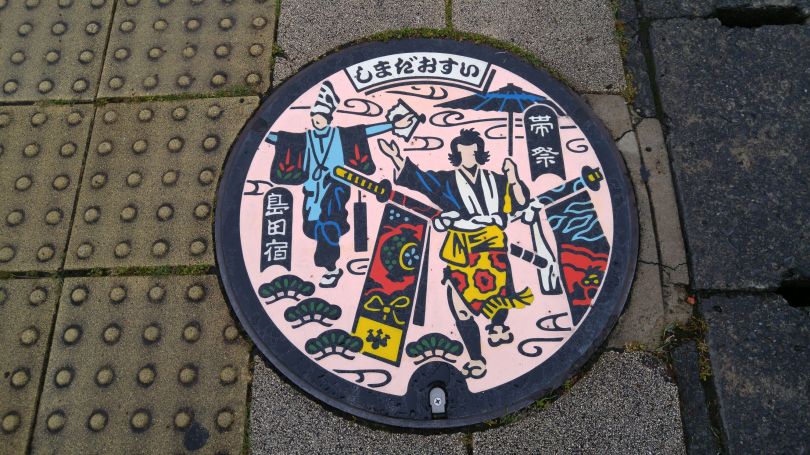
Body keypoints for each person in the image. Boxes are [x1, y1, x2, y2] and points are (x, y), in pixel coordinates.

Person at [378, 128, 534, 379]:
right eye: (462, 154)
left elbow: (520, 202)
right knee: (459, 305)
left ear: (480, 154)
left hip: (491, 249)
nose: (467, 158)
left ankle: (497, 327)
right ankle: (476, 359)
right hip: (460, 251)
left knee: (498, 298)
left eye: (472, 153)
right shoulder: (447, 181)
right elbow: (419, 180)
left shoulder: (496, 180)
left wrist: (513, 177)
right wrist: (396, 157)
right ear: (455, 156)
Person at [265, 81, 414, 287]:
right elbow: (283, 141)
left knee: (329, 224)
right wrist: (264, 134)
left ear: (329, 118)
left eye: (321, 117)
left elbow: (365, 132)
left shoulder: (340, 135)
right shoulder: (307, 138)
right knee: (314, 226)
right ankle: (330, 264)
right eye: (314, 117)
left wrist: (392, 125)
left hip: (336, 188)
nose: (317, 120)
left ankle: (330, 267)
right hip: (313, 191)